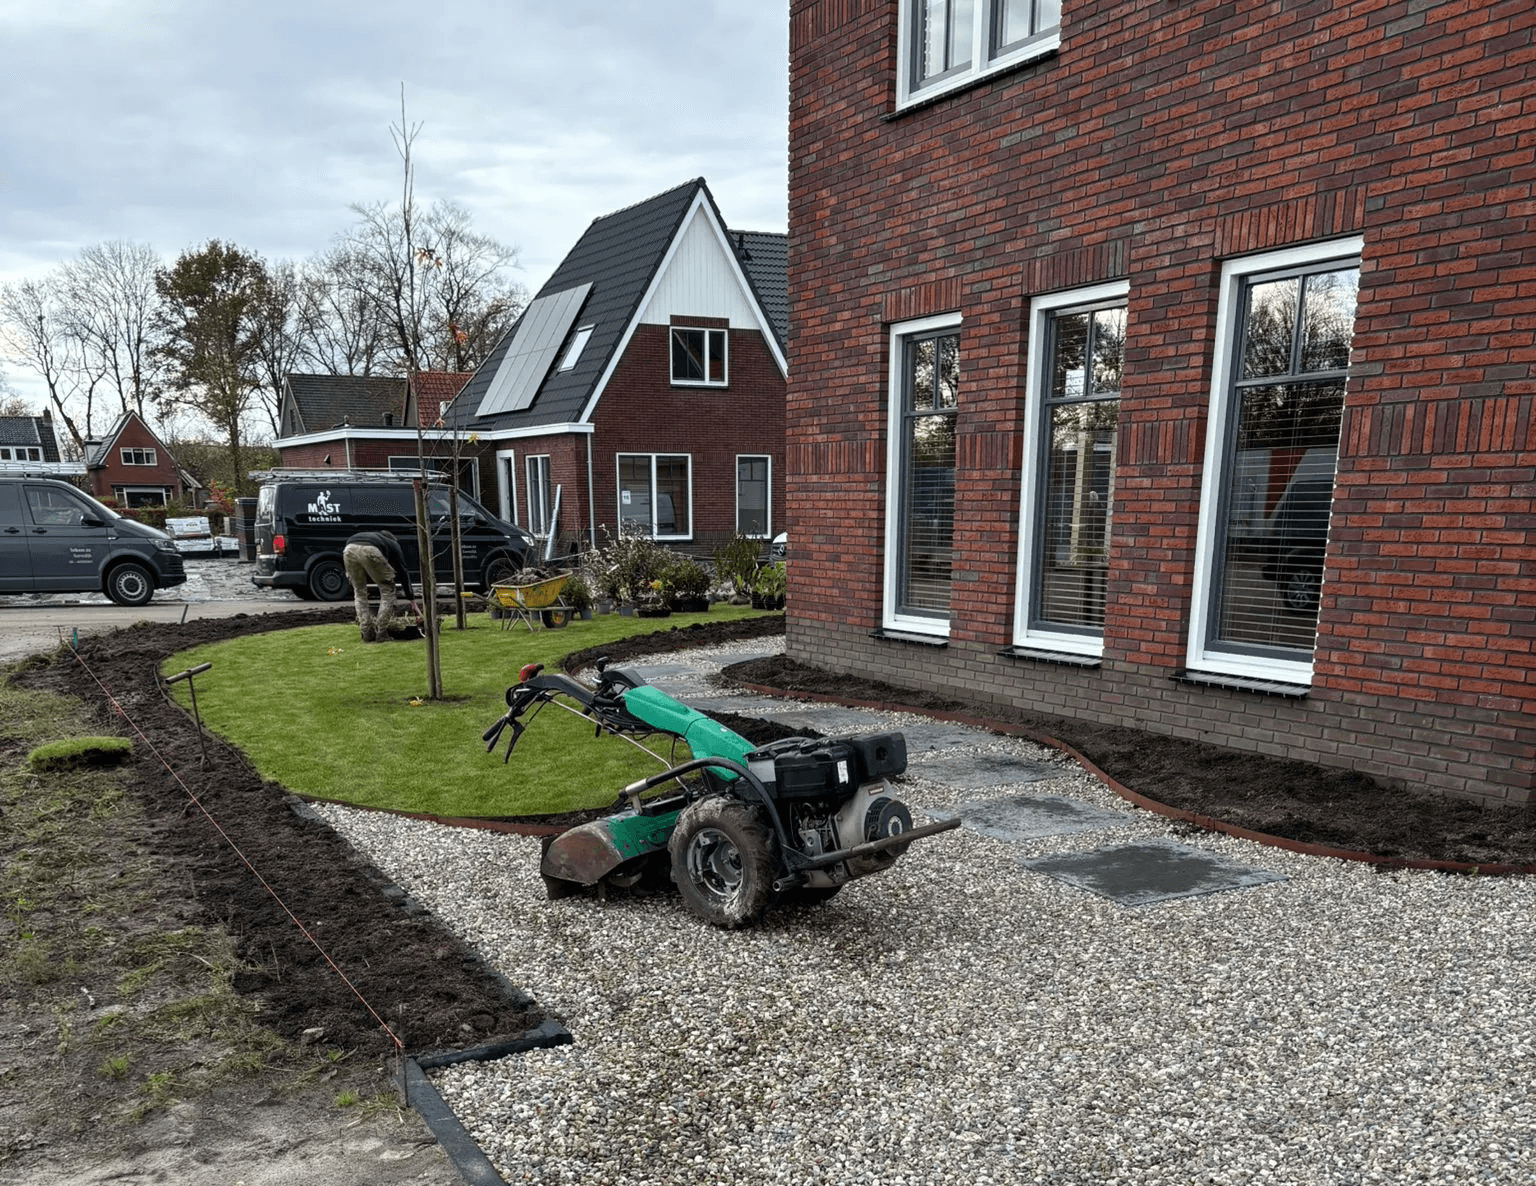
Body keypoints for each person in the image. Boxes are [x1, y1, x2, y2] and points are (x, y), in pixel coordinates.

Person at [342, 530, 418, 642]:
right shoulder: (393, 544)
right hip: (371, 551)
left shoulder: (373, 537)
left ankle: (366, 632)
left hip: (349, 549)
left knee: (359, 592)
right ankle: (381, 632)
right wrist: (411, 599)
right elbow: (403, 571)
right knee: (387, 589)